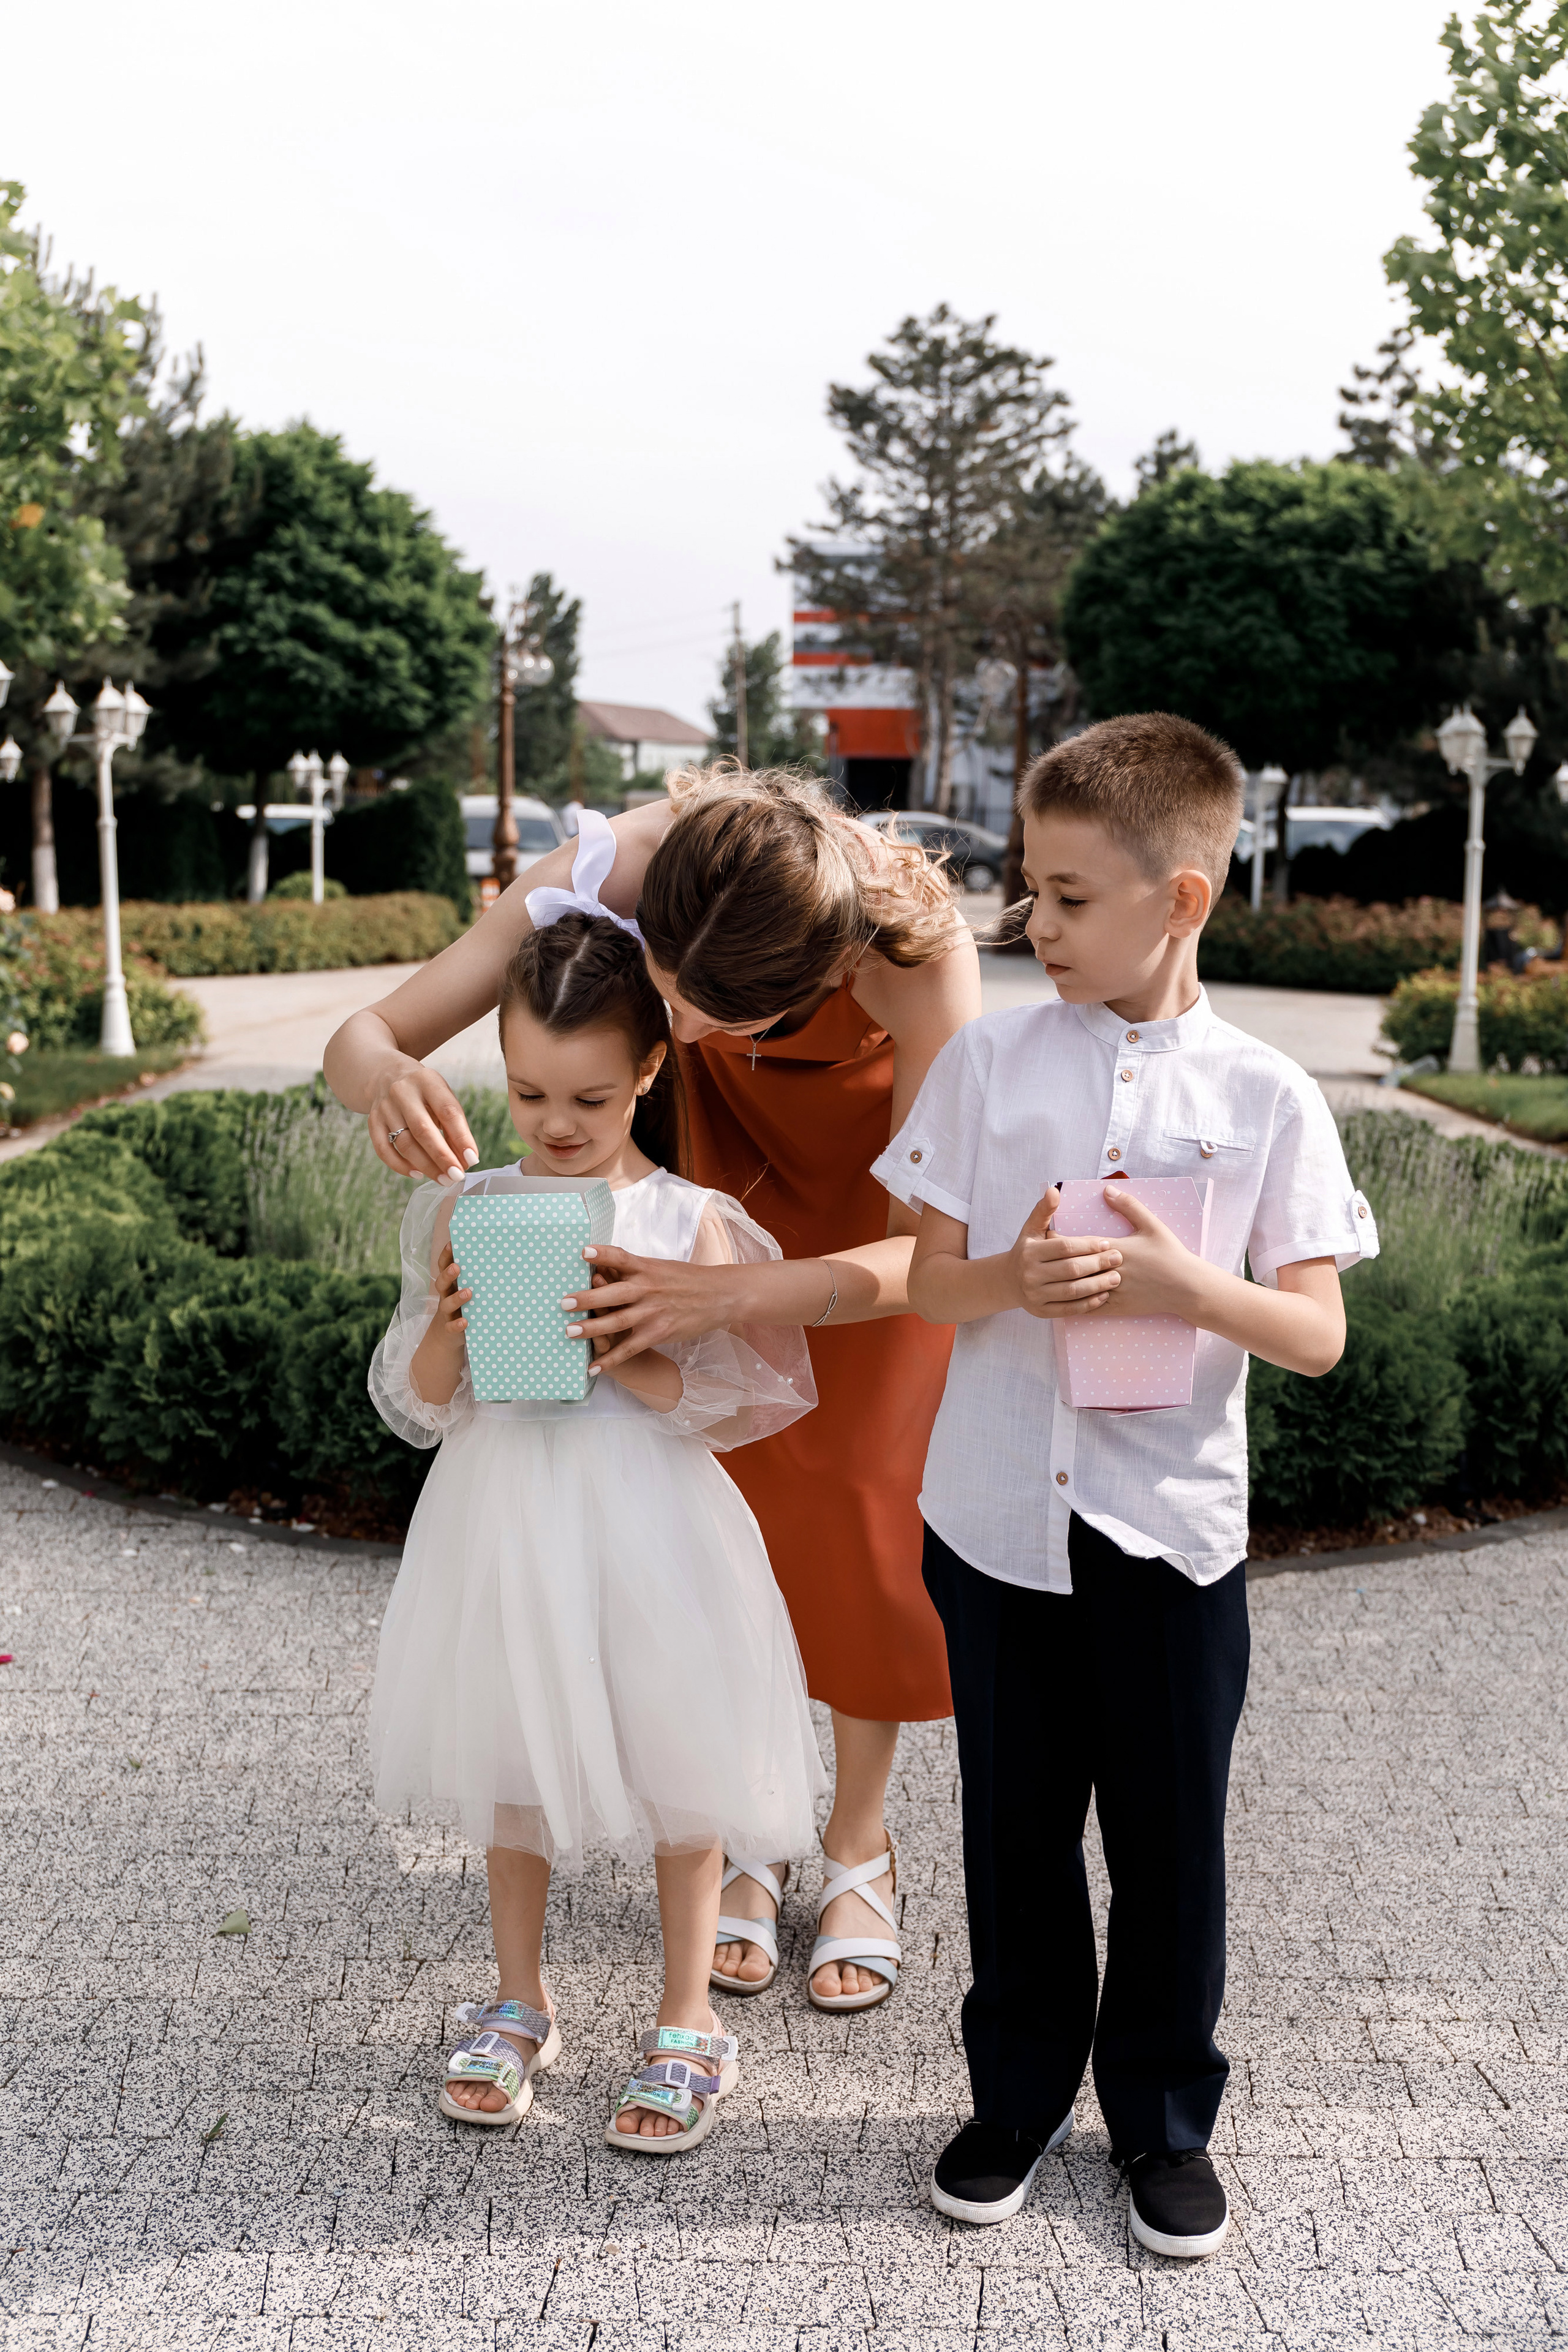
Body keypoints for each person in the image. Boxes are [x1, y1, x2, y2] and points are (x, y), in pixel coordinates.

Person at [325, 768, 981, 2010]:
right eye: (664, 984)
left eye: (712, 1010)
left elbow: (931, 1254)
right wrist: (384, 1085)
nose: (673, 1027)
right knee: (713, 1493)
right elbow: (364, 1036)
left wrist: (737, 1298)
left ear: (815, 977)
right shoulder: (613, 868)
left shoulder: (914, 954)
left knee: (853, 1499)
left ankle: (854, 1839)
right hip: (707, 1170)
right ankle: (739, 1828)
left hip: (871, 1221)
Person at [876, 714, 1379, 2252]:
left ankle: (1162, 2118)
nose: (1035, 925)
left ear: (1182, 897)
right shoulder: (986, 1064)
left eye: (1071, 897)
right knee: (1014, 1832)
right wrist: (1014, 1279)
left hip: (1165, 1532)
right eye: (1028, 891)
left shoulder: (1264, 1096)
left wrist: (1181, 1283)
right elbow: (922, 1284)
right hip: (992, 1525)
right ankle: (1014, 2097)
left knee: (1170, 1845)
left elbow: (1312, 1332)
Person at [367, 911, 825, 2153]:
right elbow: (415, 1402)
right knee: (510, 1773)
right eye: (525, 1095)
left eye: (588, 1096)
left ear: (649, 1071)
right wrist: (458, 1326)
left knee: (682, 1772)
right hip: (503, 1518)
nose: (556, 1124)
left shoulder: (694, 1224)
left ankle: (689, 2020)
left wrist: (635, 1351)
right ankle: (519, 2001)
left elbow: (746, 1401)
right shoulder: (468, 1206)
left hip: (648, 1523)